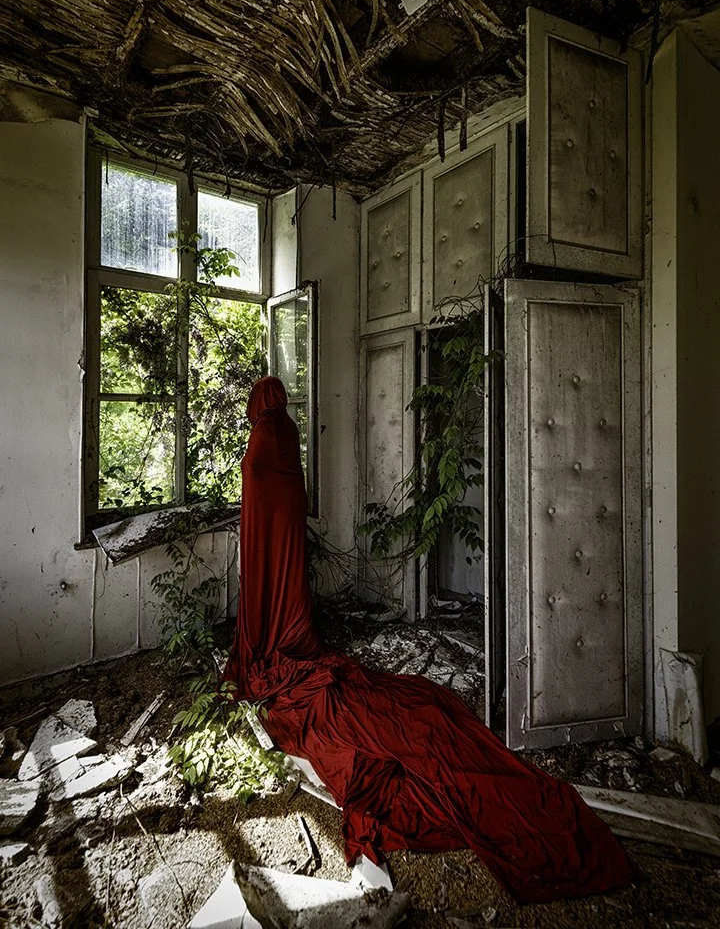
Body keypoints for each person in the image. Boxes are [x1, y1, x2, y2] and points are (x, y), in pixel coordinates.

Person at [223, 375, 635, 904]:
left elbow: (256, 491)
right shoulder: (285, 435)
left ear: (256, 404)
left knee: (285, 618)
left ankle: (271, 636)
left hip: (267, 537)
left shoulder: (262, 438)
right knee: (294, 597)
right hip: (287, 537)